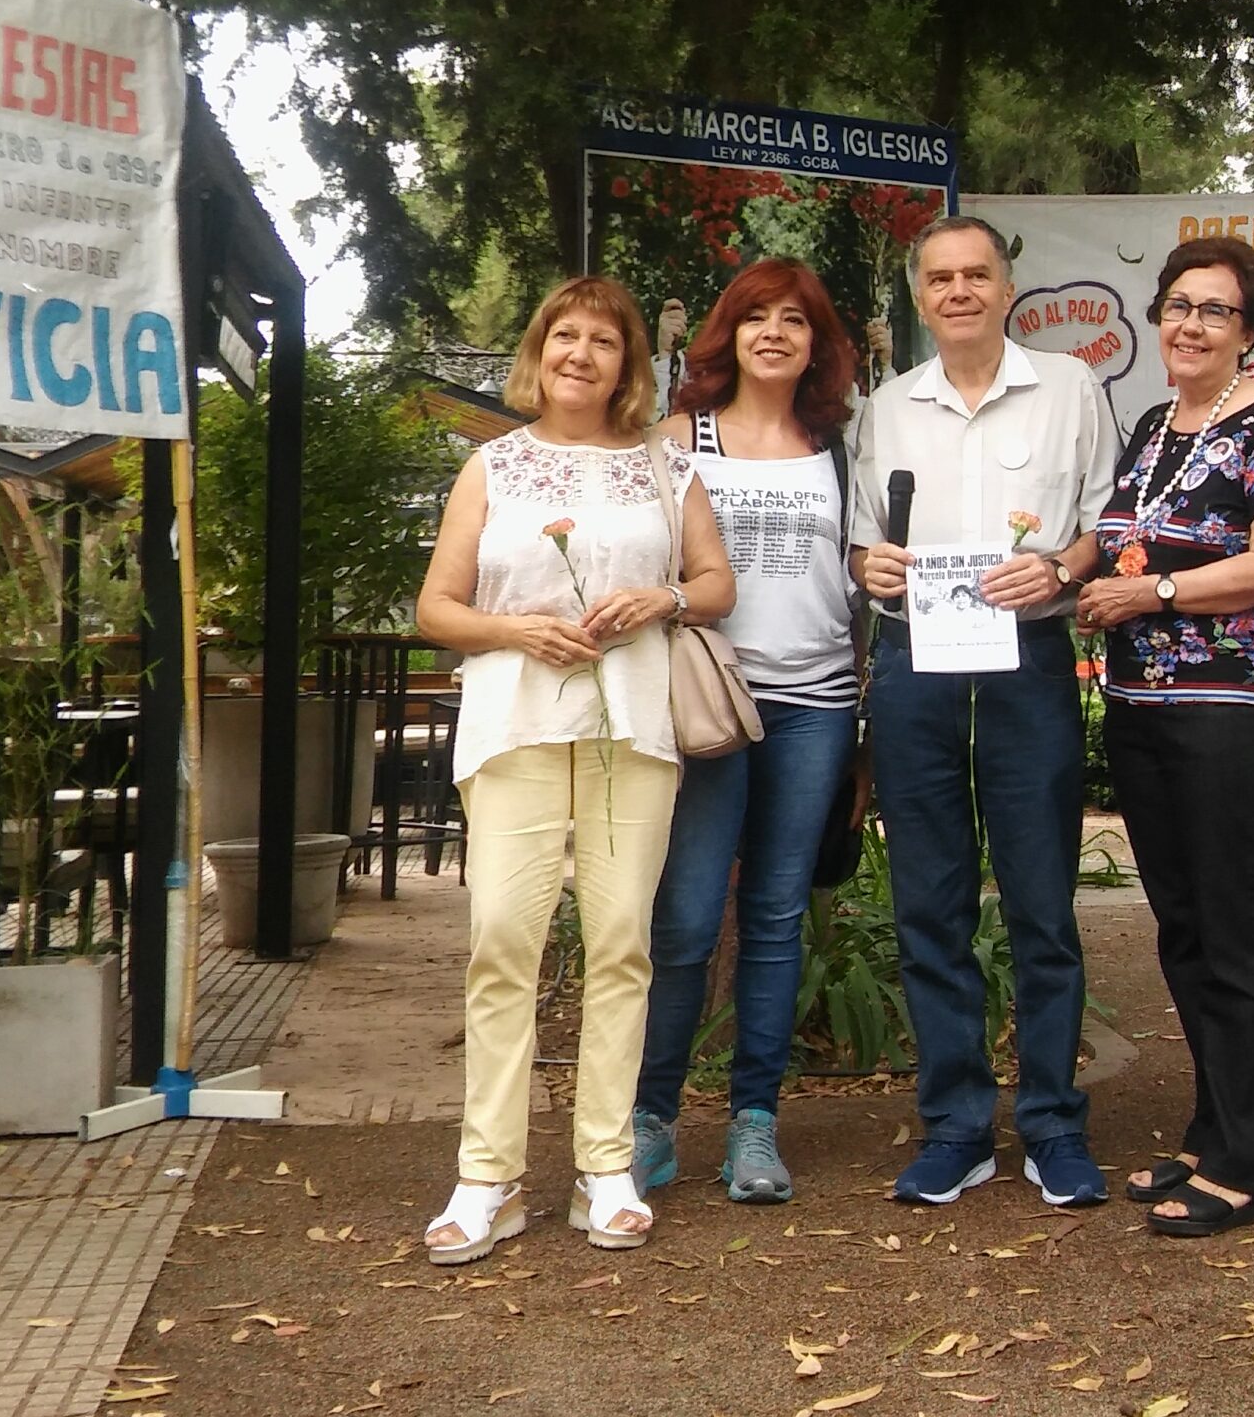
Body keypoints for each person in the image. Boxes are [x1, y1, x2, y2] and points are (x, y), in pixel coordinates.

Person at [413, 276, 736, 1264]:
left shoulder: (663, 466)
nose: (580, 354)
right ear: (538, 350)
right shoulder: (492, 468)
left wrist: (661, 601)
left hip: (629, 728)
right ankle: (489, 1179)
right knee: (502, 942)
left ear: (628, 364)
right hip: (513, 726)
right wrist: (514, 628)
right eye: (565, 335)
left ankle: (605, 1166)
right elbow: (436, 610)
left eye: (603, 339)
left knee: (620, 945)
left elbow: (717, 584)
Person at [851, 216, 1119, 1209]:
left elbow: (1102, 526)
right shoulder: (886, 409)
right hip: (914, 660)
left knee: (1042, 900)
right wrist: (866, 564)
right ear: (920, 297)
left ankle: (1052, 1123)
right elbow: (860, 543)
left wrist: (1056, 566)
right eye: (940, 278)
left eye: (977, 276)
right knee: (931, 900)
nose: (958, 291)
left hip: (1028, 658)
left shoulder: (1068, 391)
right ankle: (956, 1125)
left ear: (1008, 290)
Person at [1076, 236, 1254, 1240]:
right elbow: (1108, 541)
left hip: (1230, 712)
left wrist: (1155, 590)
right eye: (1175, 305)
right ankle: (1211, 1126)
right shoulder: (1150, 424)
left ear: (1249, 330)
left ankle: (1246, 1162)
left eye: (1213, 310)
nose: (1187, 324)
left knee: (1239, 930)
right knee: (1183, 930)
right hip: (1140, 713)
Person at [630, 260, 862, 1205]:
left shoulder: (836, 442)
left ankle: (755, 1125)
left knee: (773, 919)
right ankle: (649, 1119)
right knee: (685, 919)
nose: (775, 332)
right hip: (711, 706)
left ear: (817, 344)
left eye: (795, 321)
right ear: (727, 333)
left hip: (818, 701)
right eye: (756, 316)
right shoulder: (684, 436)